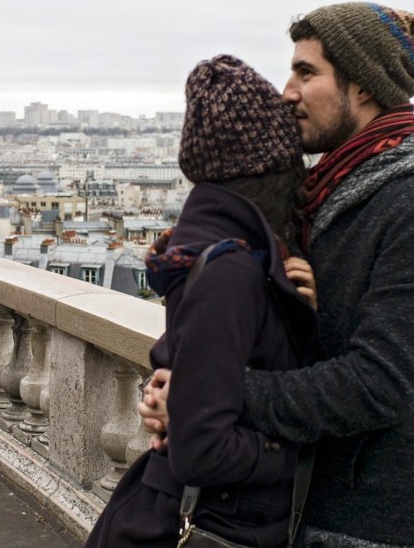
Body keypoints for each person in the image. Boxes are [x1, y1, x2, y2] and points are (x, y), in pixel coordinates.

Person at [140, 3, 414, 548]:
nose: (287, 91)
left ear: (364, 87)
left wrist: (206, 397)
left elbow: (382, 384)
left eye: (307, 72)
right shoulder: (327, 191)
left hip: (357, 524)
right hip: (286, 502)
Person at [85, 56, 317, 548]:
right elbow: (202, 451)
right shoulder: (231, 269)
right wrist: (300, 456)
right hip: (208, 526)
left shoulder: (216, 249)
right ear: (270, 169)